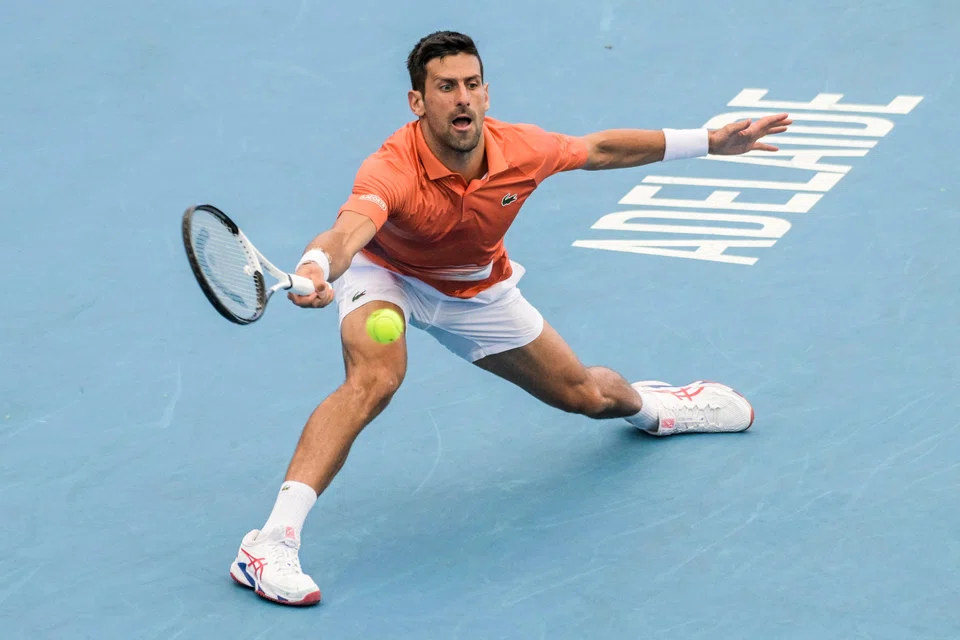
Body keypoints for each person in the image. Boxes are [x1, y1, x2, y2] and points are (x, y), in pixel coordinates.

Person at [228, 30, 791, 606]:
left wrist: (709, 142)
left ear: (487, 94)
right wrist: (319, 263)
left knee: (587, 396)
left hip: (475, 289)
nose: (462, 98)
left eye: (471, 85)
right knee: (375, 380)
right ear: (417, 102)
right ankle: (269, 544)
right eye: (445, 87)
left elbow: (599, 150)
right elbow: (350, 229)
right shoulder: (391, 169)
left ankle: (660, 408)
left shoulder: (521, 149)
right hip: (385, 276)